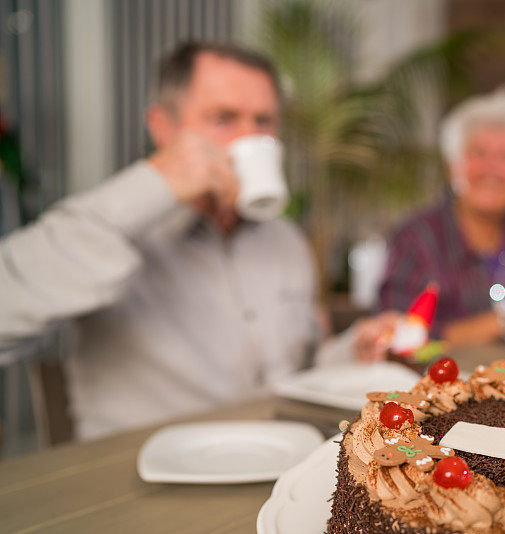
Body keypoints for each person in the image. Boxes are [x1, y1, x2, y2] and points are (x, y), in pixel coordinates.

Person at [0, 42, 396, 440]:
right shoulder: (112, 228)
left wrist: (349, 353)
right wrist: (153, 184)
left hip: (272, 458)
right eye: (223, 118)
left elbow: (297, 369)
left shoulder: (286, 241)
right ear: (162, 127)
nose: (249, 138)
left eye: (264, 121)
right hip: (141, 479)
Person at [379, 87, 505, 347]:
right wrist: (503, 321)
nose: (491, 169)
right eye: (478, 153)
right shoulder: (415, 238)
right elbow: (394, 336)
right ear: (453, 166)